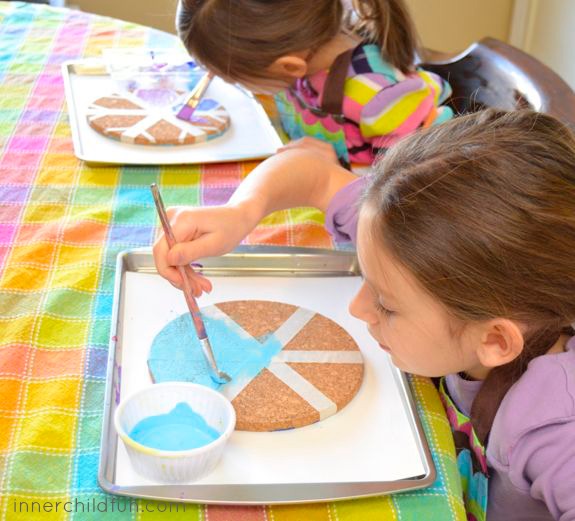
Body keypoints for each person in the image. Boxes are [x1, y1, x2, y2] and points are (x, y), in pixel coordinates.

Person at [154, 109, 575, 520]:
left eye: (386, 305)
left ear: (495, 341)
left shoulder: (556, 432)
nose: (358, 308)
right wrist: (240, 213)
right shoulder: (414, 238)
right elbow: (313, 172)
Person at [175, 0, 454, 166]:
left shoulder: (377, 97)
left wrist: (330, 170)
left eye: (233, 79)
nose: (235, 85)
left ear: (289, 66)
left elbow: (408, 191)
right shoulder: (308, 58)